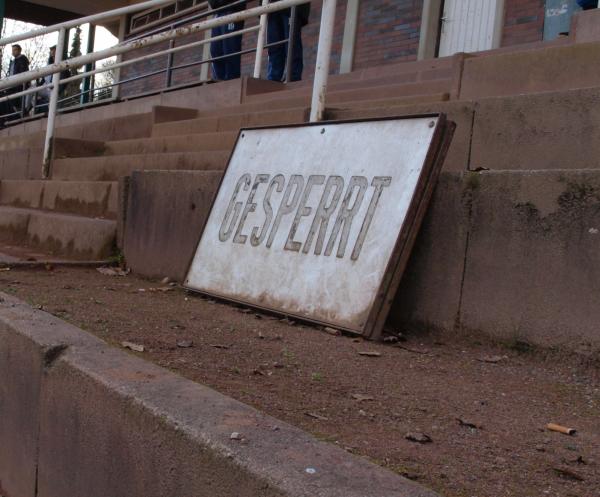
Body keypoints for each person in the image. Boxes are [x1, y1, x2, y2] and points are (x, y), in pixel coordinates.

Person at [267, 1, 310, 82]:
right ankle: (274, 78)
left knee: (292, 45)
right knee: (274, 47)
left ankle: (293, 77)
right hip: (271, 7)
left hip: (291, 5)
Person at [208, 0, 247, 81]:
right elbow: (212, 3)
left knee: (230, 49)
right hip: (218, 14)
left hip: (233, 11)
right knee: (215, 51)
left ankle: (232, 81)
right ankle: (218, 81)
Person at [5, 44, 30, 118]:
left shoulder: (22, 59)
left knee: (18, 100)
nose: (13, 52)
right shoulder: (13, 61)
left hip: (19, 84)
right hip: (12, 84)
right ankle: (17, 113)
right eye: (12, 50)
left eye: (15, 50)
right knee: (8, 96)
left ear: (19, 50)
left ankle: (22, 113)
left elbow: (23, 71)